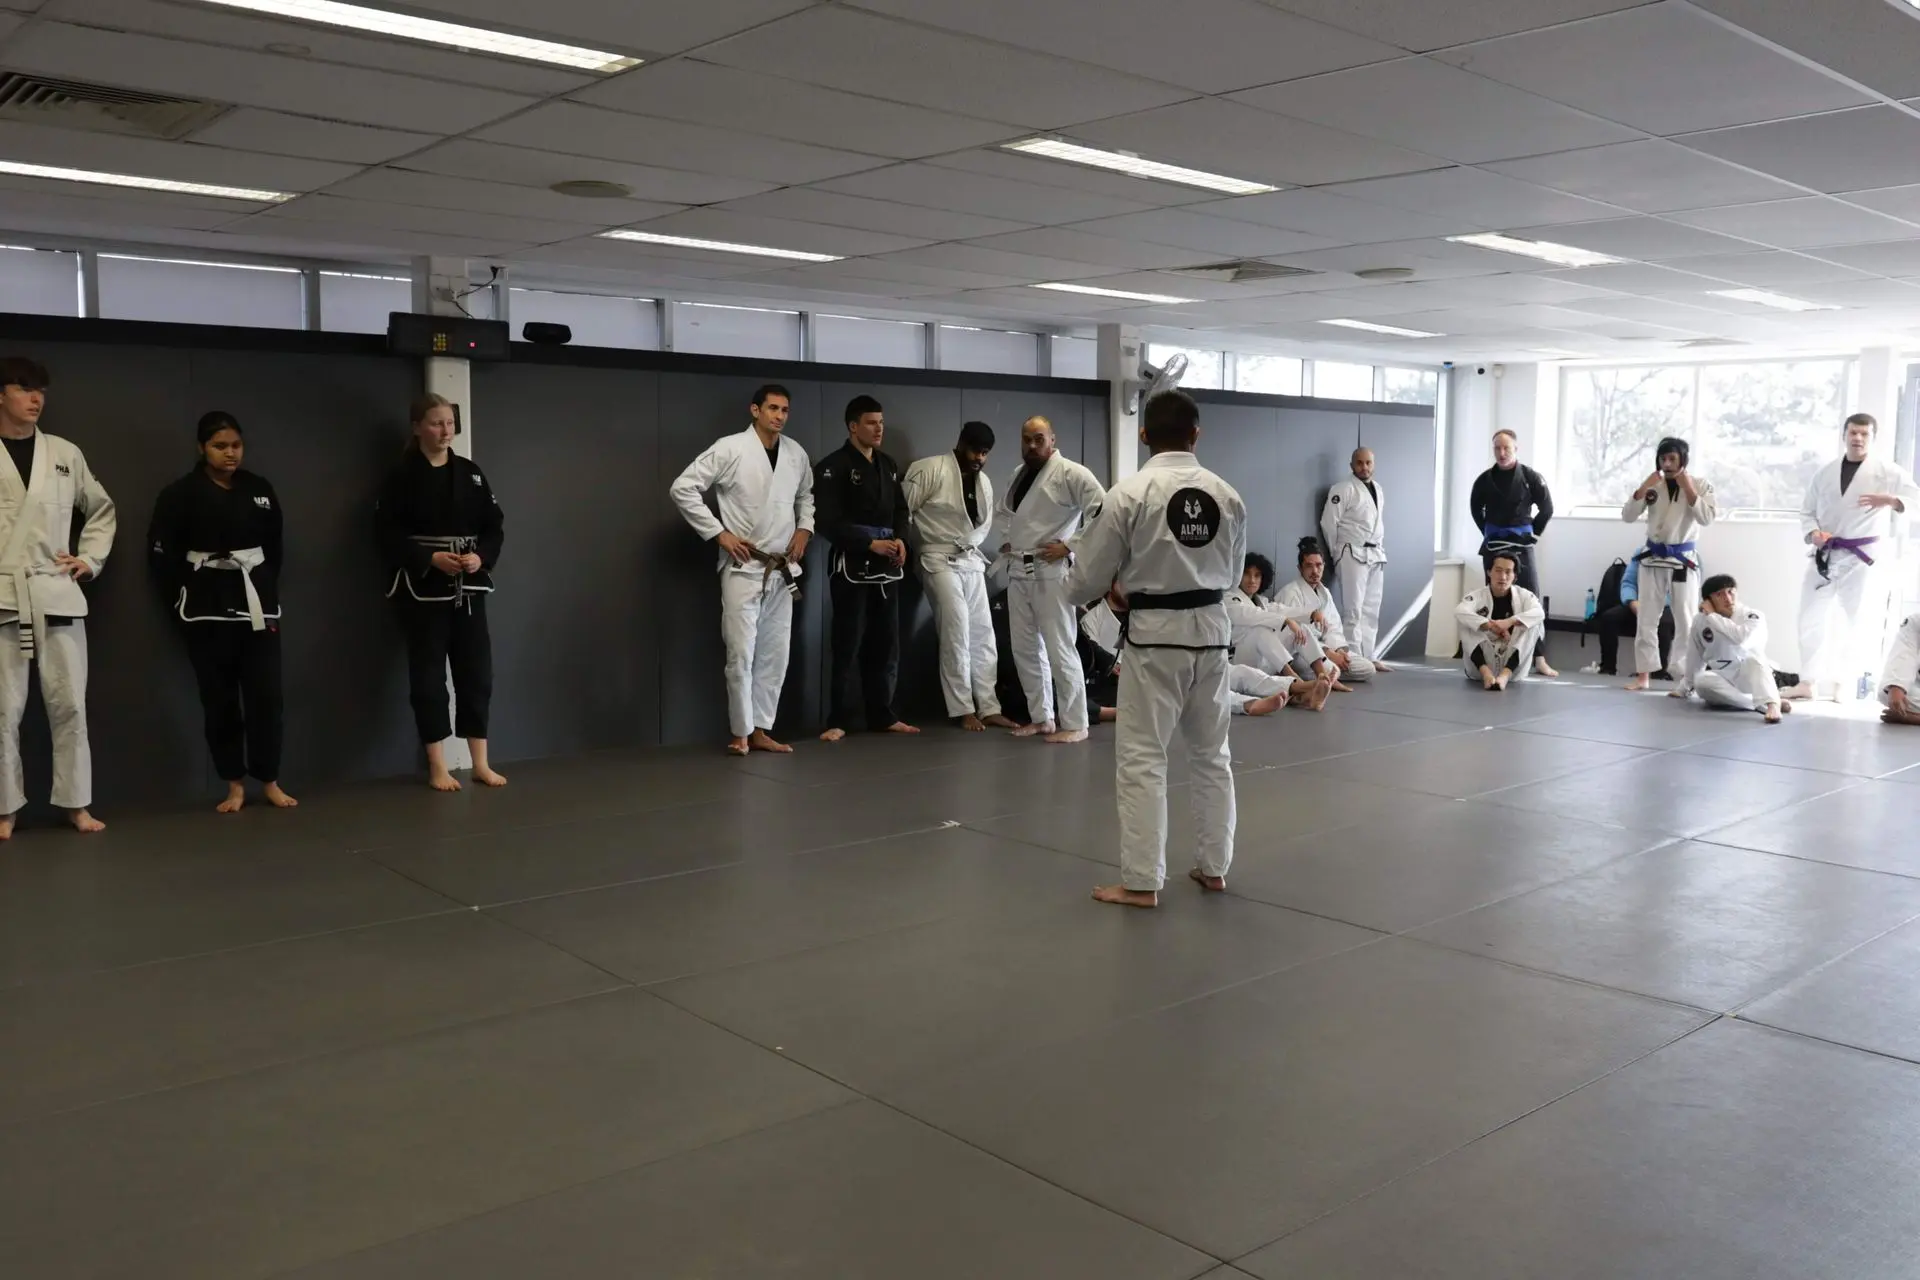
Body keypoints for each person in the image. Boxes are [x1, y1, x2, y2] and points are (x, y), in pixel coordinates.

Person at [1065, 390, 1246, 908]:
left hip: (1156, 637)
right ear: (1196, 434)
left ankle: (1143, 881)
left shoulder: (1131, 493)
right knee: (1213, 755)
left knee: (1145, 758)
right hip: (1212, 635)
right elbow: (1231, 576)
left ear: (1144, 435)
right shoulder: (1227, 495)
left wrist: (1101, 589)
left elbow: (1086, 579)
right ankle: (1214, 869)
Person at [147, 411, 295, 813]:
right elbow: (161, 556)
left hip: (256, 605)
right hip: (204, 608)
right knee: (220, 699)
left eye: (236, 446)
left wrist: (263, 584)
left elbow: (275, 548)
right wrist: (180, 599)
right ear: (201, 448)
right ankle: (233, 784)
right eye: (220, 446)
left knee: (267, 698)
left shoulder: (259, 489)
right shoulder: (178, 495)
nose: (231, 454)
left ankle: (269, 779)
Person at [0, 357, 114, 836]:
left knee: (69, 703)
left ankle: (76, 803)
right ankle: (5, 807)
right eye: (24, 388)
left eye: (40, 389)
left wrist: (88, 560)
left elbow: (101, 508)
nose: (35, 398)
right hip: (4, 594)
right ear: (0, 395)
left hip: (57, 592)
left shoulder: (65, 452)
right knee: (4, 709)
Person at [668, 384, 814, 756]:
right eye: (773, 408)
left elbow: (806, 496)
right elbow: (683, 488)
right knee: (741, 653)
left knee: (774, 654)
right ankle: (740, 732)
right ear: (755, 410)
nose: (779, 416)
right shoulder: (730, 447)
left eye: (785, 410)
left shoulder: (796, 453)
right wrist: (719, 533)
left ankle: (762, 729)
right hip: (744, 566)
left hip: (783, 569)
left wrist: (804, 528)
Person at [376, 393, 506, 792]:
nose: (445, 430)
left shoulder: (470, 473)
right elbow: (385, 532)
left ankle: (479, 761)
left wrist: (479, 558)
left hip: (468, 585)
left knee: (476, 673)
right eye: (436, 423)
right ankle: (437, 765)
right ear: (417, 427)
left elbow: (494, 525)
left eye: (449, 423)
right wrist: (430, 558)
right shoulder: (400, 476)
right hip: (423, 589)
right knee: (430, 676)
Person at [1786, 412, 1920, 702]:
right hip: (1825, 555)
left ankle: (1843, 682)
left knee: (1855, 621)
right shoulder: (1824, 473)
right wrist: (1813, 533)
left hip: (1862, 558)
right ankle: (1807, 682)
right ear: (1844, 435)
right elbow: (1807, 511)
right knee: (1809, 618)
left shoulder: (1887, 472)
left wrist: (1892, 500)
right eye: (1853, 433)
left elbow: (1917, 500)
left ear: (1872, 437)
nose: (1858, 438)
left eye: (1864, 434)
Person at [996, 415, 1107, 744]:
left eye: (1039, 439)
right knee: (1025, 649)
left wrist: (1071, 544)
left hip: (1051, 572)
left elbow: (1105, 511)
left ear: (1053, 440)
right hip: (1019, 569)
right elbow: (1014, 517)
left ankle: (1076, 722)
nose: (1031, 445)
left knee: (1060, 647)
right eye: (1026, 439)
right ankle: (1042, 718)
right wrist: (1010, 541)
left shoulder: (1071, 473)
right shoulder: (1020, 474)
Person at [815, 395, 917, 741]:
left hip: (887, 566)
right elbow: (826, 521)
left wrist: (902, 540)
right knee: (848, 641)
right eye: (871, 423)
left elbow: (901, 511)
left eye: (882, 422)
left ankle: (882, 714)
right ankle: (837, 719)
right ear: (853, 426)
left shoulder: (888, 465)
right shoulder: (833, 466)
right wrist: (868, 543)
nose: (879, 429)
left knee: (886, 643)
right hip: (852, 565)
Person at [903, 421, 1012, 733]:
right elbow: (903, 511)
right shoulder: (929, 469)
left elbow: (984, 522)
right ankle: (962, 708)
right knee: (956, 628)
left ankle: (989, 706)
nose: (979, 457)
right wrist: (908, 546)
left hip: (970, 560)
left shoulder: (985, 482)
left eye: (985, 453)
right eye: (975, 450)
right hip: (935, 557)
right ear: (961, 443)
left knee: (982, 634)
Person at [1082, 591, 1328, 719]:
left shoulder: (1145, 611)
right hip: (1137, 678)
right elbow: (1095, 656)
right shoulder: (1092, 619)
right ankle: (1249, 705)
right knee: (1203, 690)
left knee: (1234, 671)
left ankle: (1296, 687)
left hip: (1172, 661)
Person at [1622, 436, 1715, 692]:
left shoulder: (1700, 485)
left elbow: (1707, 518)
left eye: (1672, 458)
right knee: (1647, 619)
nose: (1667, 463)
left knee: (1686, 621)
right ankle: (1643, 676)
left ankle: (1684, 677)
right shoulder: (1654, 486)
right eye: (1663, 458)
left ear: (1683, 460)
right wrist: (1642, 488)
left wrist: (1689, 490)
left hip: (1682, 562)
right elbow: (1628, 516)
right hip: (1652, 560)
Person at [1470, 429, 1557, 677]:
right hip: (1495, 543)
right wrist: (1489, 532)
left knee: (1532, 598)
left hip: (1523, 543)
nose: (1502, 452)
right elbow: (1476, 510)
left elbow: (1547, 508)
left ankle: (1539, 657)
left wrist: (1534, 534)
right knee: (1492, 598)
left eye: (1506, 448)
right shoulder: (1484, 480)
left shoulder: (1530, 477)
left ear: (1515, 449)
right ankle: (1492, 656)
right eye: (1497, 448)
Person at [1675, 574, 1788, 723]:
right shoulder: (1700, 621)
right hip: (1722, 677)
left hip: (1750, 676)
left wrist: (1714, 616)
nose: (1727, 598)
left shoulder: (1753, 616)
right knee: (1701, 681)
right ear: (1708, 600)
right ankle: (1757, 706)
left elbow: (1741, 639)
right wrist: (1683, 688)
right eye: (1719, 594)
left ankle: (1773, 704)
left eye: (1730, 591)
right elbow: (1694, 655)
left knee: (1754, 660)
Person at [1227, 551, 1347, 691]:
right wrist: (1286, 621)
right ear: (1238, 576)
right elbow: (1250, 615)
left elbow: (1282, 609)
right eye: (1246, 574)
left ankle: (1323, 676)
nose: (1252, 580)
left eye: (1257, 575)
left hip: (1265, 662)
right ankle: (1297, 681)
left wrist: (1312, 614)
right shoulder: (1229, 598)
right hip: (1240, 662)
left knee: (1299, 628)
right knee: (1259, 630)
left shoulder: (1262, 601)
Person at [1320, 446, 1391, 669]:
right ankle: (1355, 659)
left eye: (1368, 463)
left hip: (1375, 552)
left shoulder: (1378, 489)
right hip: (1351, 551)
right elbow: (1328, 523)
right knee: (1354, 610)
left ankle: (1369, 656)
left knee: (1371, 609)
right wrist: (1336, 553)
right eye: (1359, 463)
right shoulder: (1342, 488)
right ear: (1351, 465)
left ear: (1374, 464)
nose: (1364, 467)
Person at [1273, 536, 1375, 683]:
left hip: (1327, 650)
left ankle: (1327, 676)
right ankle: (1324, 675)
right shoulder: (1291, 593)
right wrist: (1329, 654)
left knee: (1367, 668)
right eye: (1309, 566)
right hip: (1299, 653)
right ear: (1300, 568)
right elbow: (1298, 636)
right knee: (1330, 668)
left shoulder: (1324, 593)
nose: (1315, 571)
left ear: (1324, 565)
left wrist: (1339, 651)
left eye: (1319, 565)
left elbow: (1334, 628)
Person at [1456, 552, 1544, 690]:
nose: (1503, 577)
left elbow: (1539, 613)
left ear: (1515, 576)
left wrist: (1510, 621)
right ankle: (1486, 674)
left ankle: (1504, 676)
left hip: (1513, 666)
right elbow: (1460, 611)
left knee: (1533, 624)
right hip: (1481, 665)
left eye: (1508, 572)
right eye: (1498, 571)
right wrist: (1489, 625)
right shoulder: (1477, 596)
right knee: (1466, 622)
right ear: (1489, 572)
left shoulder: (1524, 596)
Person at [1581, 556, 1675, 679]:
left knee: (1664, 623)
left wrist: (1656, 605)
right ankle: (1608, 668)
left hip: (1663, 606)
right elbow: (1627, 583)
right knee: (1609, 618)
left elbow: (1676, 591)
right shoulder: (1641, 555)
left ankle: (1658, 673)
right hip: (1637, 602)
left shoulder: (1677, 559)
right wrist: (1632, 601)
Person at [1878, 613, 1920, 725]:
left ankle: (1914, 718)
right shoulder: (1916, 621)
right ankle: (1909, 713)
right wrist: (1897, 686)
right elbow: (1905, 653)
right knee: (1888, 694)